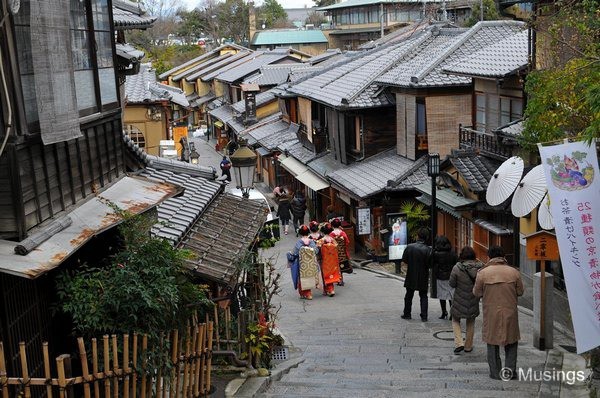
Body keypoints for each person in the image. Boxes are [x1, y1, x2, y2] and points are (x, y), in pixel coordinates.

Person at [473, 246, 524, 380]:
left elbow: (476, 293)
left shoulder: (483, 273)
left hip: (491, 312)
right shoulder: (514, 272)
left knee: (492, 341)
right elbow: (520, 292)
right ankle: (510, 371)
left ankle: (495, 372)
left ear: (489, 257)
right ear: (503, 256)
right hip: (510, 311)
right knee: (512, 341)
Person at [449, 246, 483, 354]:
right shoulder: (480, 268)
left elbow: (452, 283)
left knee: (455, 319)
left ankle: (459, 343)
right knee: (471, 320)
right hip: (474, 298)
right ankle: (468, 346)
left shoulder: (457, 268)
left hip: (459, 299)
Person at [401, 227, 431, 322]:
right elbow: (430, 264)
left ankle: (407, 313)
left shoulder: (409, 247)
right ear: (426, 237)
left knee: (409, 295)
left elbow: (405, 260)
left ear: (418, 236)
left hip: (411, 274)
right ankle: (424, 316)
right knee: (423, 295)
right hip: (423, 275)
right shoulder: (428, 250)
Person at [431, 236, 457, 320]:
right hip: (451, 276)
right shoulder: (452, 253)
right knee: (451, 295)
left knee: (442, 295)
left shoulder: (436, 254)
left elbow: (431, 263)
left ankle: (444, 312)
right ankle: (452, 313)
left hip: (440, 276)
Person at [290, 225, 320, 300]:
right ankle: (308, 292)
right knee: (309, 274)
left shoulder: (299, 242)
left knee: (301, 276)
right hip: (311, 263)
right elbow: (316, 251)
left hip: (302, 264)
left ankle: (306, 293)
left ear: (300, 233)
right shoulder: (311, 241)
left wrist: (290, 254)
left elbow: (295, 253)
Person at [317, 223, 341, 297]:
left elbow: (317, 248)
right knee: (332, 272)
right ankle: (331, 289)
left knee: (324, 273)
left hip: (324, 259)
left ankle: (327, 289)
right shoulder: (332, 240)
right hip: (332, 259)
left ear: (323, 231)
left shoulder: (321, 240)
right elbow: (336, 247)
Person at [330, 218, 352, 284]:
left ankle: (337, 279)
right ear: (339, 225)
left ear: (332, 225)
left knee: (336, 266)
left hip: (334, 252)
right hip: (342, 253)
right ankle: (341, 279)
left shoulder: (331, 234)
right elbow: (347, 242)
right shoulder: (343, 233)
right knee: (341, 266)